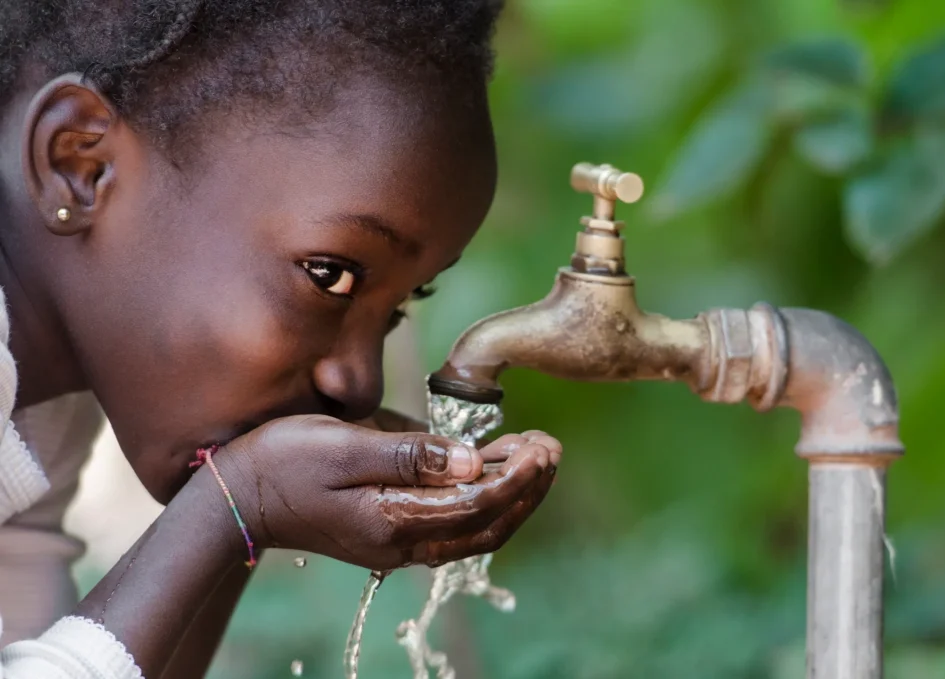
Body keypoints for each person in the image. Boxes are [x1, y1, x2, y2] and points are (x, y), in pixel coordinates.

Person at [0, 1, 562, 677]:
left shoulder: (42, 402)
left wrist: (247, 506)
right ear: (80, 164)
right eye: (330, 275)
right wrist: (235, 502)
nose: (359, 384)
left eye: (399, 307)